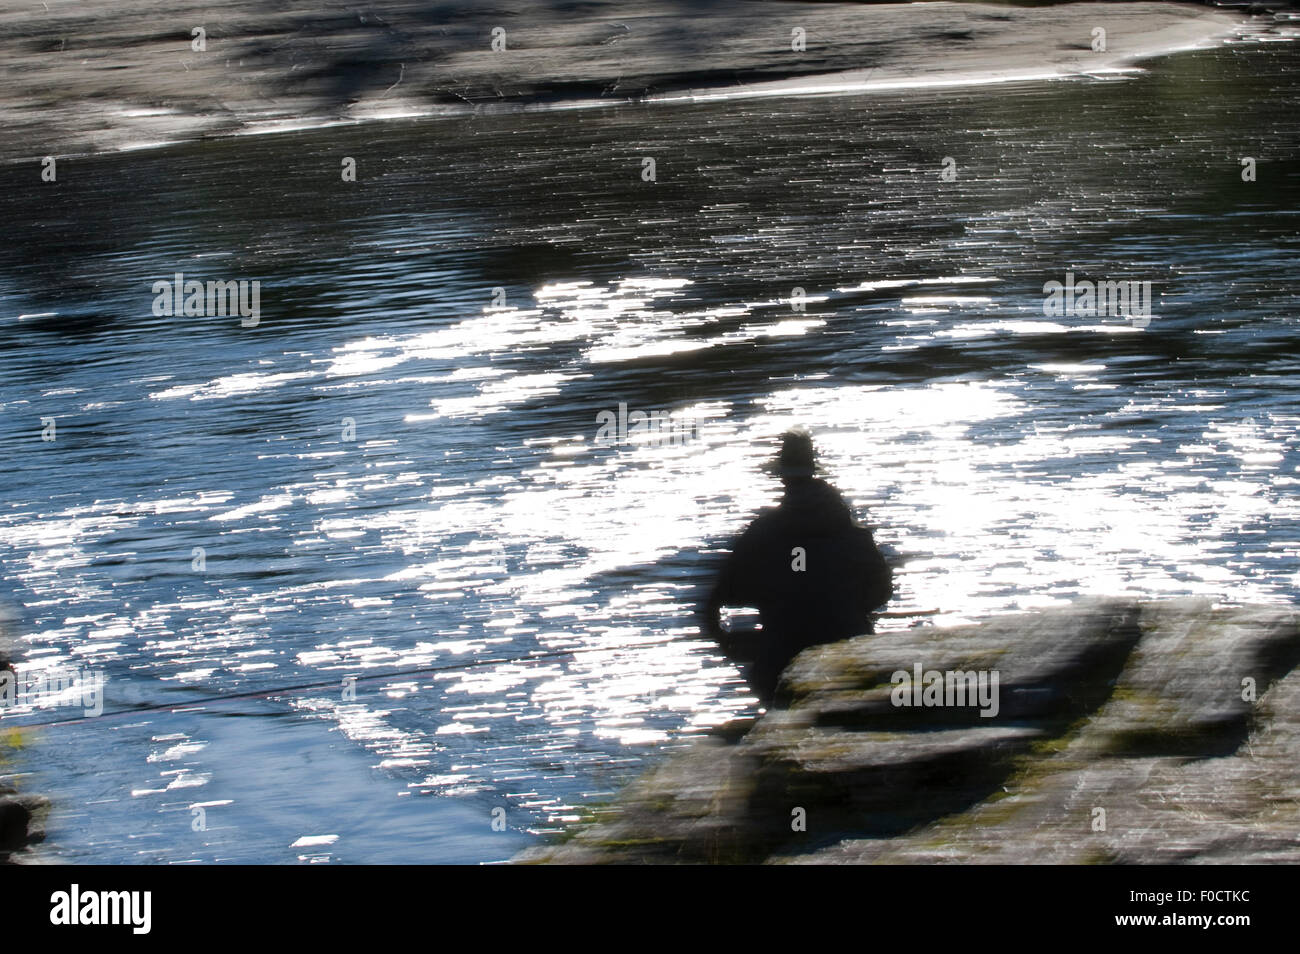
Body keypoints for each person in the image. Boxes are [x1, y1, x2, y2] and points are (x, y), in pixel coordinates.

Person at [703, 429, 892, 700]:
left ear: (783, 479)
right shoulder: (853, 534)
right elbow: (882, 593)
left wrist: (734, 646)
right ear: (815, 473)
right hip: (848, 656)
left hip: (781, 662)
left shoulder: (759, 535)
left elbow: (714, 605)